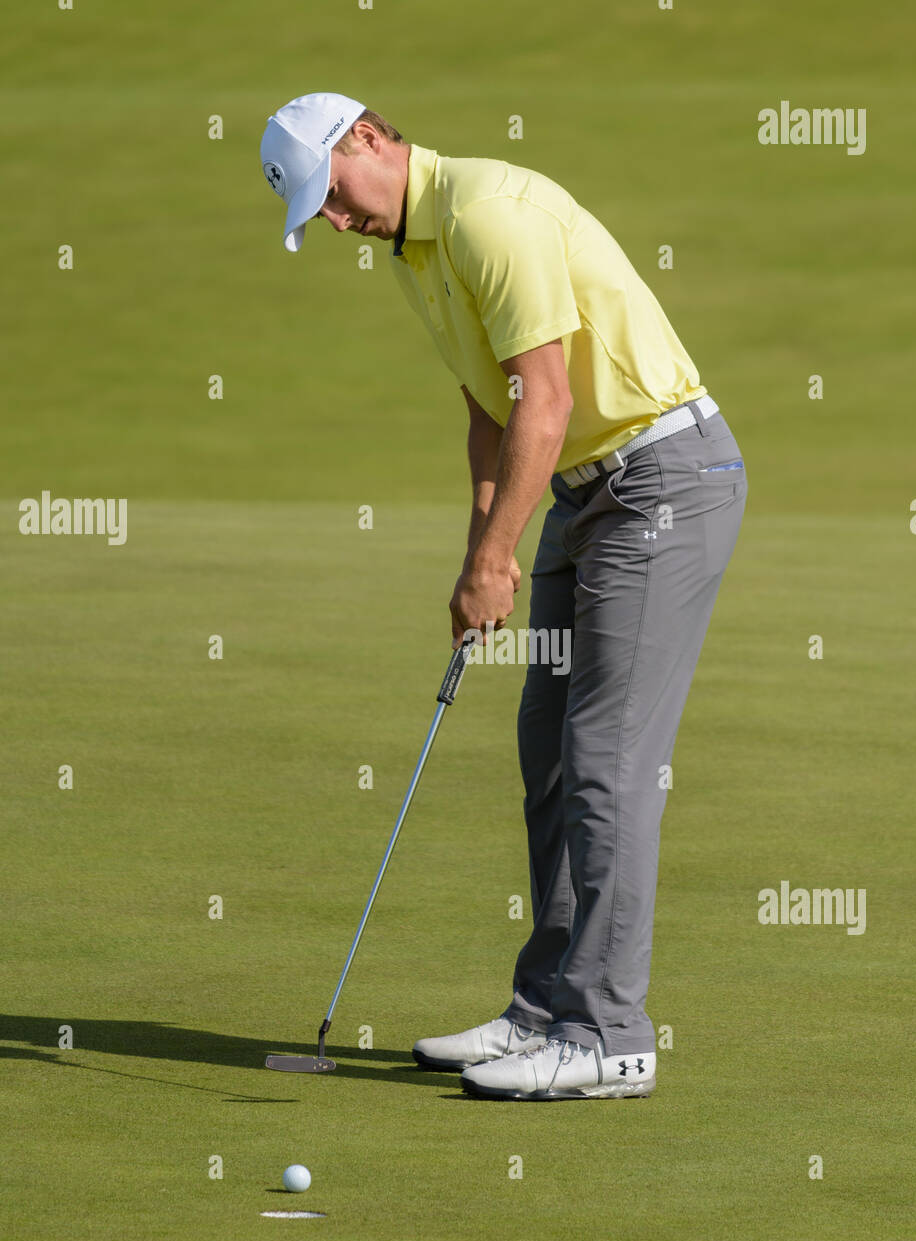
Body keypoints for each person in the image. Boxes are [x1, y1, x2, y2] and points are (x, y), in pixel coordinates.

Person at [261, 92, 747, 1101]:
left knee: (605, 759)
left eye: (333, 196)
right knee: (548, 749)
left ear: (365, 139)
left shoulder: (485, 212)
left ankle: (610, 1035)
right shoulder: (419, 254)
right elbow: (493, 411)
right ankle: (546, 1009)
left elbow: (550, 397)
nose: (337, 222)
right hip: (581, 493)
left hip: (656, 480)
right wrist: (485, 545)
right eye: (319, 216)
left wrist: (496, 556)